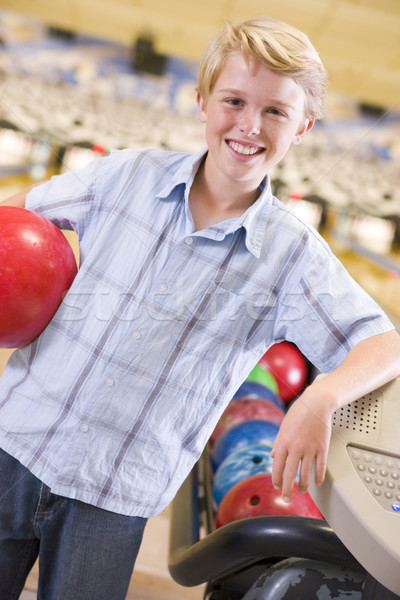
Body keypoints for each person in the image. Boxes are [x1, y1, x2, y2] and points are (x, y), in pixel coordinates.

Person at [1, 15, 400, 600]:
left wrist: (323, 394)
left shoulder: (293, 256)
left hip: (115, 494)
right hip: (17, 440)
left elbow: (384, 342)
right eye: (234, 100)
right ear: (202, 102)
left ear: (303, 127)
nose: (248, 124)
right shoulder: (126, 175)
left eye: (275, 112)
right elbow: (20, 219)